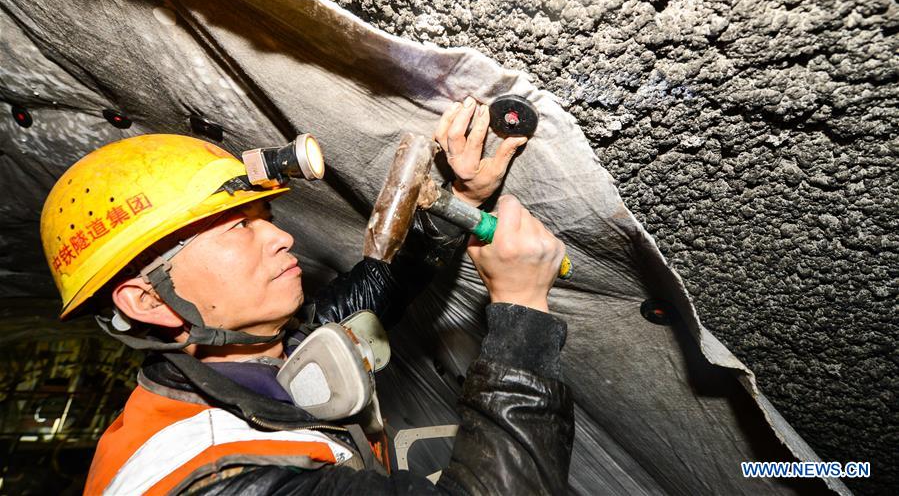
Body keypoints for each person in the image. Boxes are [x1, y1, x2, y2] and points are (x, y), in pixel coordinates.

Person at [40, 98, 573, 495]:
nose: (282, 236)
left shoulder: (259, 355)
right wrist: (522, 310)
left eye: (264, 219)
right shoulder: (209, 477)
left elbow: (372, 299)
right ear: (149, 300)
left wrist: (460, 202)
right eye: (236, 229)